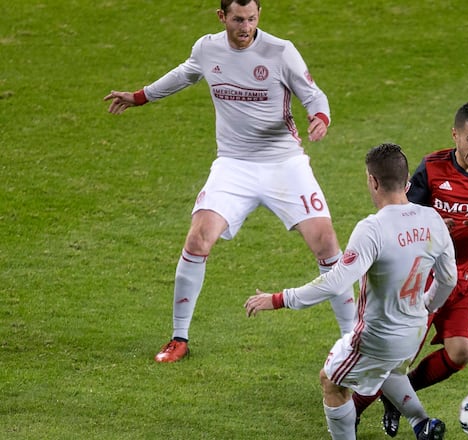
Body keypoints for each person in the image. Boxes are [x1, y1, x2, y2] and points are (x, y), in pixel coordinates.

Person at [103, 0, 355, 363]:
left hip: (284, 163)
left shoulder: (280, 51)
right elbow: (185, 73)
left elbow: (314, 95)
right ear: (222, 17)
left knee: (326, 242)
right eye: (238, 19)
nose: (246, 26)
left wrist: (320, 118)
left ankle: (352, 341)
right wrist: (140, 96)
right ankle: (179, 337)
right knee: (198, 237)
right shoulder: (208, 48)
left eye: (252, 18)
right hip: (233, 165)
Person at [244, 143, 457, 440]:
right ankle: (422, 424)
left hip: (377, 337)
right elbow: (448, 279)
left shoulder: (373, 229)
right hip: (414, 332)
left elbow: (335, 282)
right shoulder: (433, 219)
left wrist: (278, 299)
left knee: (331, 381)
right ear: (407, 181)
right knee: (388, 370)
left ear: (373, 181)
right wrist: (425, 306)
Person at [354, 101, 468, 436]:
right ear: (456, 134)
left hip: (464, 279)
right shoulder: (431, 167)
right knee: (394, 358)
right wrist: (433, 223)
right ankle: (351, 410)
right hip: (423, 278)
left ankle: (400, 399)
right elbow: (401, 214)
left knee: (461, 353)